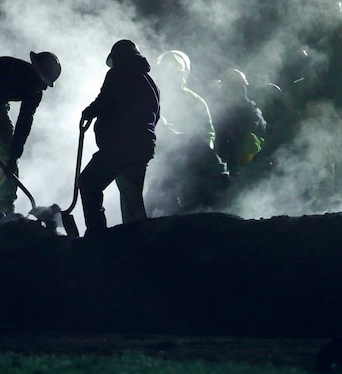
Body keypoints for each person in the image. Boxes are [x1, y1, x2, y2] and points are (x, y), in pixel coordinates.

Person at [0, 50, 62, 220]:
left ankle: (5, 206)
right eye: (43, 81)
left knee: (8, 154)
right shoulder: (8, 69)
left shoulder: (35, 91)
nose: (44, 87)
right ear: (34, 72)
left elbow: (24, 121)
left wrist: (14, 154)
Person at [79, 40, 160, 236]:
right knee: (131, 198)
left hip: (120, 146)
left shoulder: (118, 73)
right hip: (142, 147)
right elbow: (155, 116)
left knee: (88, 182)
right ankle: (138, 242)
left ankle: (97, 236)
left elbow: (105, 100)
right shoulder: (150, 83)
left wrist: (89, 111)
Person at [148, 49, 227, 215]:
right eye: (166, 73)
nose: (170, 77)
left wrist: (192, 149)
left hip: (190, 164)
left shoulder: (194, 101)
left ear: (183, 75)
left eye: (174, 73)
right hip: (160, 162)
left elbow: (207, 134)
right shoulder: (153, 98)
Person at [209, 68, 268, 179]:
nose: (241, 90)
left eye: (241, 87)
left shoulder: (251, 113)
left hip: (246, 167)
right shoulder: (221, 112)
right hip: (232, 166)